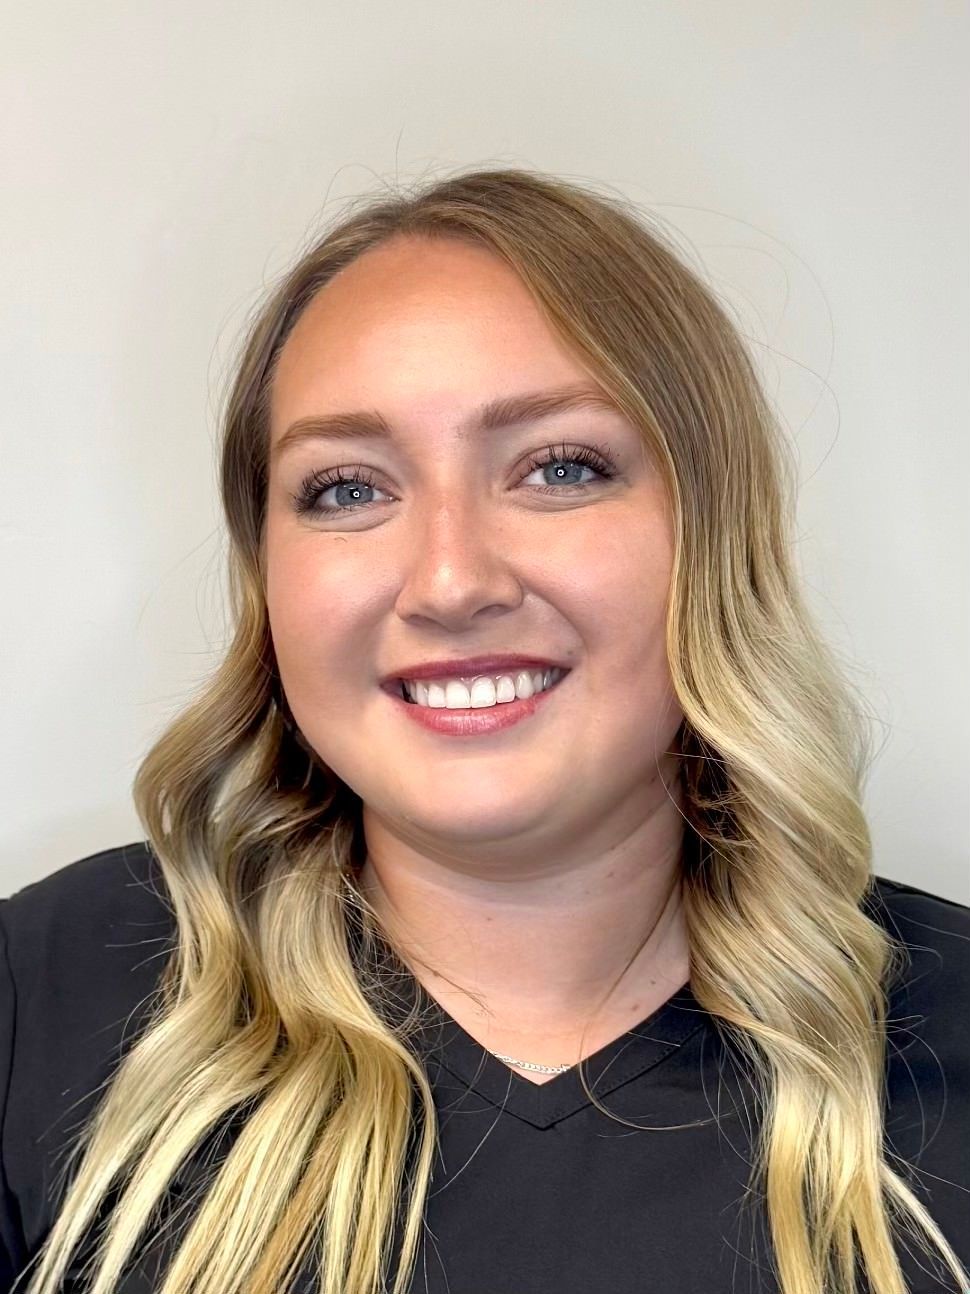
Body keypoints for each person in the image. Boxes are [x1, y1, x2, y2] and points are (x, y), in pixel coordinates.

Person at [1, 167, 967, 1294]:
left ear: (715, 530)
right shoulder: (46, 996)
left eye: (559, 468)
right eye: (347, 488)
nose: (451, 581)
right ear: (268, 575)